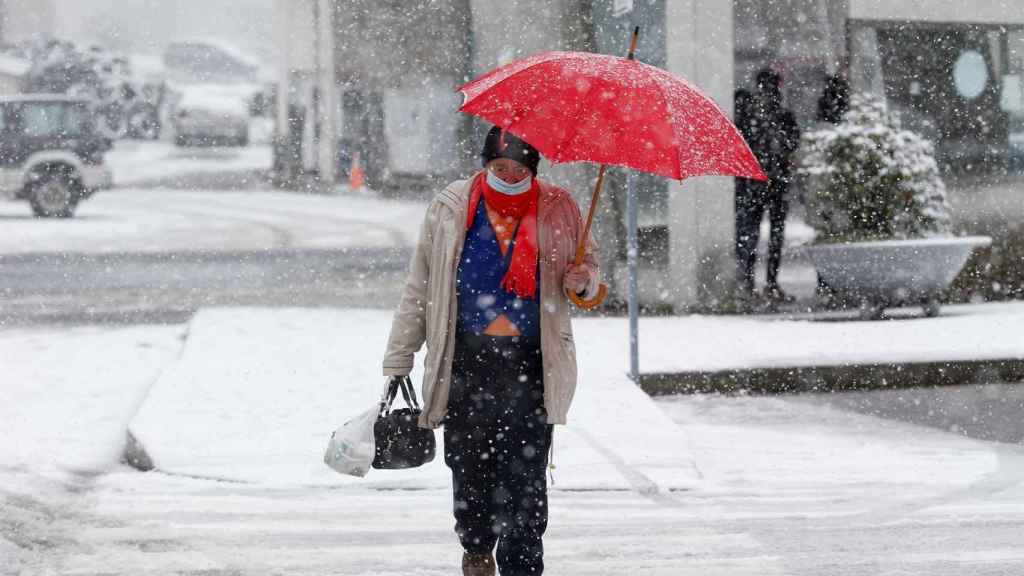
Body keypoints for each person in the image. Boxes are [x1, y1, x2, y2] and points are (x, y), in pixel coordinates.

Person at [382, 125, 600, 576]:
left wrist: (584, 282)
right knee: (469, 468)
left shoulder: (558, 207)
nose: (509, 176)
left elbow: (589, 283)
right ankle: (477, 548)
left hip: (532, 364)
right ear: (484, 165)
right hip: (465, 361)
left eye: (519, 169)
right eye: (500, 167)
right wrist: (399, 356)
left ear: (533, 169)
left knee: (526, 477)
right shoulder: (450, 207)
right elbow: (420, 287)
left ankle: (523, 565)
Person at [735, 67, 801, 304]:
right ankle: (771, 284)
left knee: (749, 235)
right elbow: (793, 143)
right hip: (776, 182)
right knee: (775, 236)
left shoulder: (748, 113)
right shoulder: (782, 114)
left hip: (752, 182)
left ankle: (749, 284)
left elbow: (741, 144)